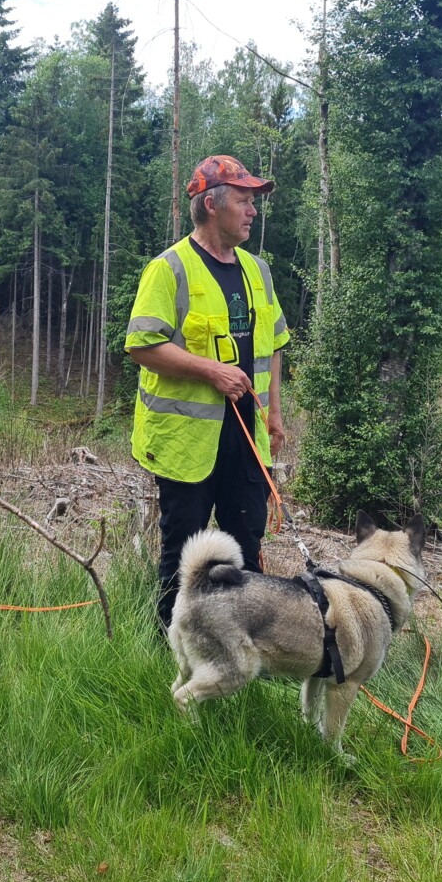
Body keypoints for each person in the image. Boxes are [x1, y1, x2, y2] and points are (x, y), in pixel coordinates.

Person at [125, 154, 291, 628]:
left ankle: (249, 647)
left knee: (248, 543)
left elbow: (275, 344)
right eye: (244, 200)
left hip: (246, 436)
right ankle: (171, 646)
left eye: (254, 201)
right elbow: (142, 344)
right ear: (212, 205)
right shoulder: (169, 268)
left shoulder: (258, 270)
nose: (253, 211)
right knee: (185, 551)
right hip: (186, 441)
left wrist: (275, 414)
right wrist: (210, 371)